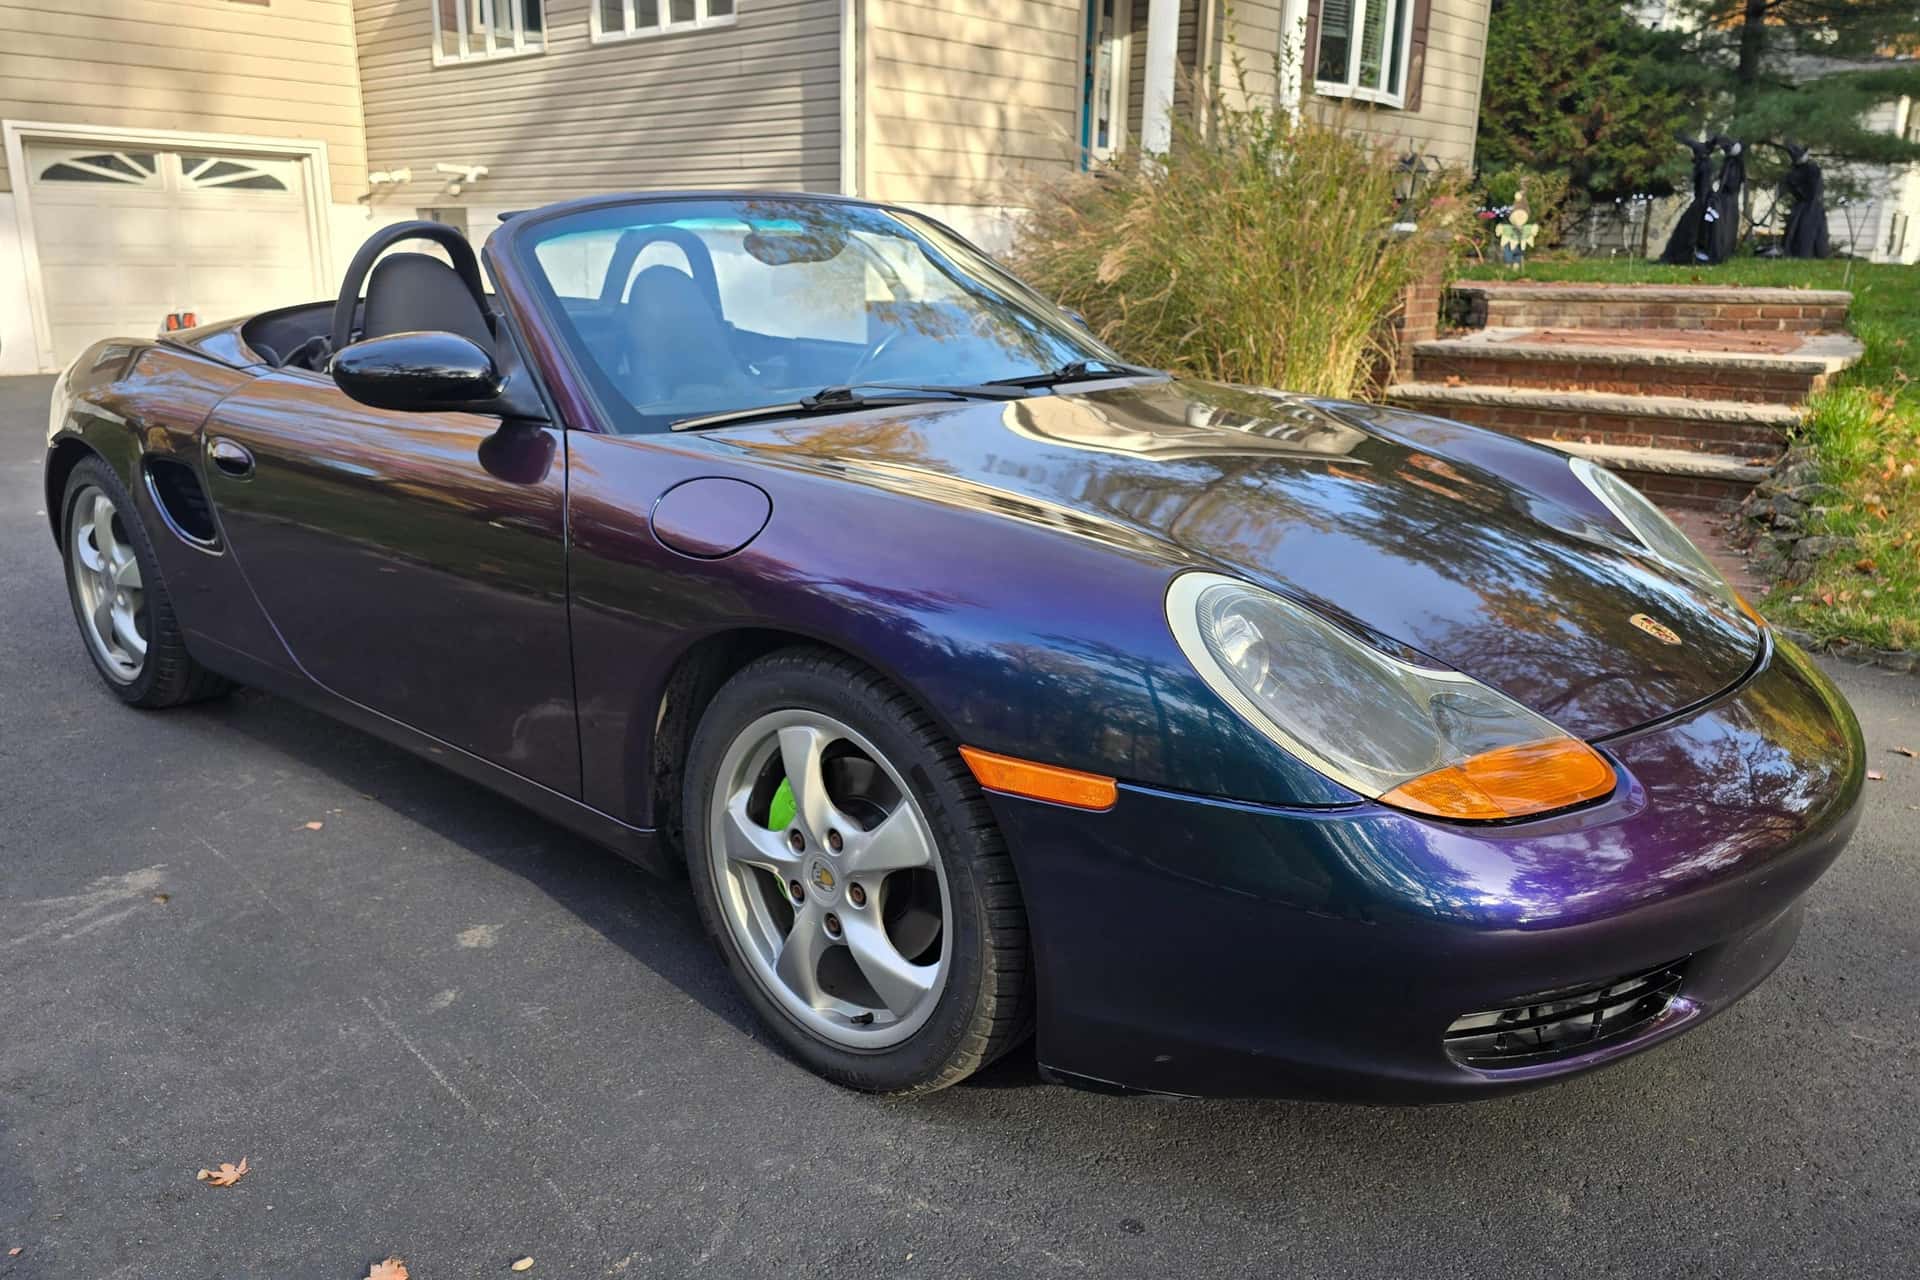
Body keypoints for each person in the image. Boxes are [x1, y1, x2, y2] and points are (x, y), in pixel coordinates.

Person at [1662, 135, 1716, 265]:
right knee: (1687, 229)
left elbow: (1704, 188)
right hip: (1701, 202)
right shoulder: (1704, 164)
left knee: (1690, 230)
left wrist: (1703, 206)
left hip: (1701, 203)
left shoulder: (1703, 166)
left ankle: (1686, 256)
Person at [1781, 143, 1831, 259]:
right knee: (1802, 230)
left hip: (1812, 206)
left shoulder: (1812, 169)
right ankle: (1802, 253)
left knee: (1811, 232)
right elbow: (1799, 190)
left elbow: (1815, 190)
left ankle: (1813, 253)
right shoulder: (1795, 172)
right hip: (1804, 206)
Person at [1703, 135, 1746, 264]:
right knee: (1725, 226)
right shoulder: (1733, 163)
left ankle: (1722, 252)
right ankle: (1722, 251)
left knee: (1725, 227)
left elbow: (1729, 183)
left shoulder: (1733, 164)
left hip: (1728, 199)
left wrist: (1718, 192)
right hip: (1728, 199)